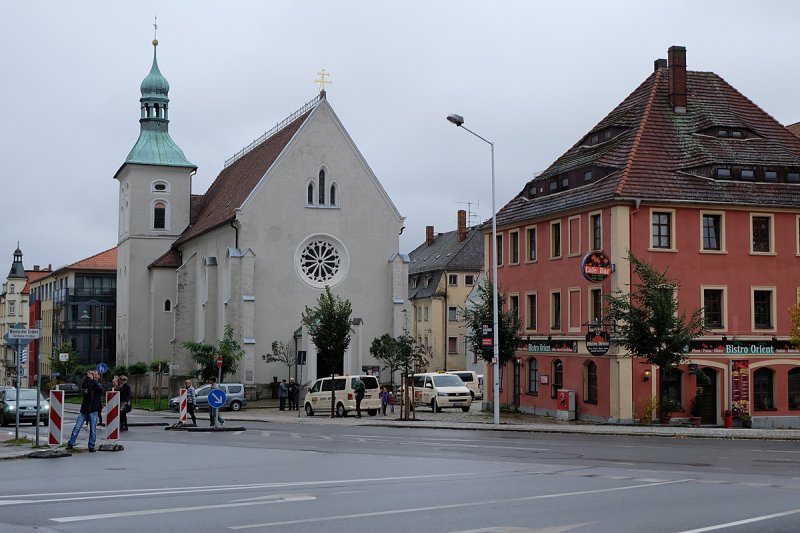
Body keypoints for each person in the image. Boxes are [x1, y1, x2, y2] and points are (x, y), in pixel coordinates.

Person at [67, 370, 104, 452]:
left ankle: (91, 446)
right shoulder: (87, 383)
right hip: (84, 409)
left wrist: (93, 380)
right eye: (92, 374)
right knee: (77, 427)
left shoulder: (99, 384)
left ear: (98, 376)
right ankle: (71, 443)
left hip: (93, 410)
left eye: (95, 375)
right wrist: (87, 377)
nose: (93, 376)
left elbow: (99, 388)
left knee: (93, 429)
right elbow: (83, 386)